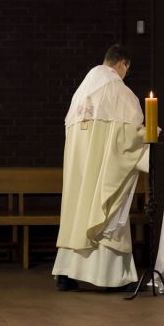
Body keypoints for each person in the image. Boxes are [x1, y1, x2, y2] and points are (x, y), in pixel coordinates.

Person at [53, 44, 150, 291]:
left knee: (78, 212)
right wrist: (150, 134)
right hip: (102, 171)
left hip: (81, 171)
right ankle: (112, 278)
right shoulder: (118, 91)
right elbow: (127, 136)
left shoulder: (81, 92)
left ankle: (66, 274)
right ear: (122, 64)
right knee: (105, 213)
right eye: (127, 69)